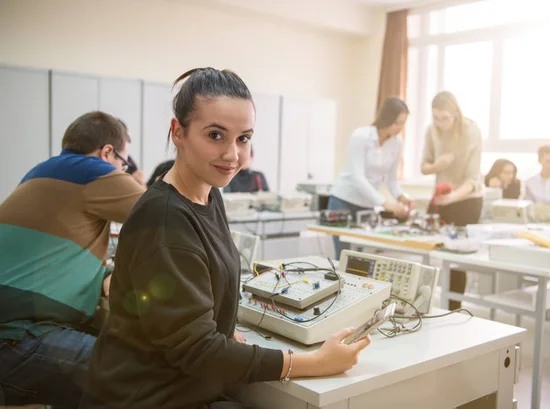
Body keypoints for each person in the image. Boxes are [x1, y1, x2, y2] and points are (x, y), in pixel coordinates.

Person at [81, 68, 370, 409]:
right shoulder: (164, 218)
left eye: (243, 138)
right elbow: (199, 352)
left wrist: (219, 325)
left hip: (180, 389)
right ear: (178, 132)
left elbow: (193, 304)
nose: (233, 154)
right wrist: (315, 363)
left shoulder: (208, 194)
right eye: (216, 135)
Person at [0, 112, 145, 408]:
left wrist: (103, 273)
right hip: (17, 338)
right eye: (123, 162)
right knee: (140, 375)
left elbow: (47, 257)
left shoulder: (39, 172)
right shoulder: (94, 171)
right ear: (107, 152)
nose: (123, 170)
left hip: (15, 332)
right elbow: (169, 218)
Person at [421, 91, 483, 311]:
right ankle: (424, 305)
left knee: (456, 259)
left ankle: (453, 309)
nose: (440, 123)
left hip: (466, 200)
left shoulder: (471, 131)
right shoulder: (432, 130)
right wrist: (438, 165)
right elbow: (424, 166)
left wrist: (453, 197)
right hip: (441, 198)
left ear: (455, 113)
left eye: (444, 118)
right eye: (436, 118)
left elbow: (473, 179)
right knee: (426, 246)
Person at [328, 97, 413, 258]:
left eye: (403, 123)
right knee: (344, 256)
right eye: (398, 123)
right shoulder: (361, 136)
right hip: (343, 201)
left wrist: (401, 197)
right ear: (386, 119)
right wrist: (383, 203)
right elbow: (357, 176)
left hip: (367, 205)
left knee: (361, 259)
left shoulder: (397, 143)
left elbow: (391, 179)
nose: (401, 128)